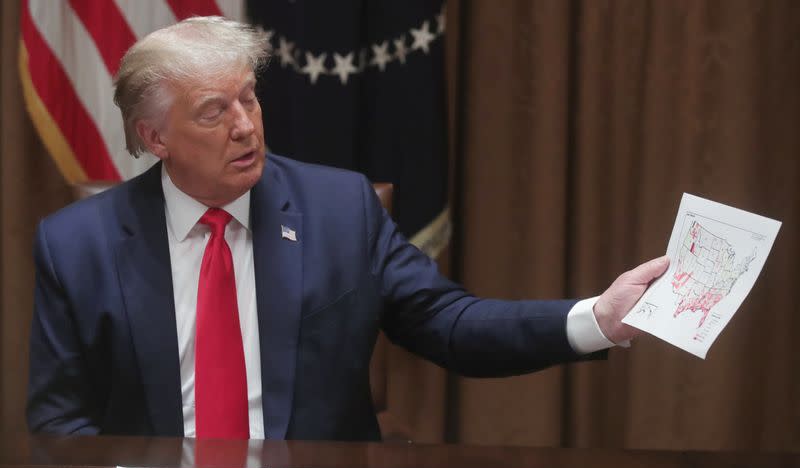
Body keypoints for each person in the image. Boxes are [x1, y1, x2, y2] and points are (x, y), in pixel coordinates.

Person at [27, 17, 668, 441]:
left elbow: (450, 324)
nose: (246, 126)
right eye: (212, 112)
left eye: (248, 97)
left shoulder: (341, 209)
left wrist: (597, 320)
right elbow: (58, 421)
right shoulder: (76, 245)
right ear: (154, 136)